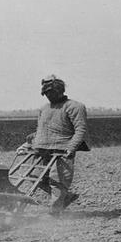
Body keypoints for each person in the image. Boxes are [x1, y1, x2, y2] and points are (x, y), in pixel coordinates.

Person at [17, 75, 89, 215]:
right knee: (33, 176)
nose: (48, 96)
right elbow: (41, 131)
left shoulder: (74, 106)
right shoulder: (44, 108)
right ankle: (65, 197)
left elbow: (81, 129)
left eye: (51, 93)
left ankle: (55, 213)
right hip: (42, 148)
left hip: (62, 149)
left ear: (60, 91)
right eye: (46, 93)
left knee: (57, 181)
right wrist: (26, 144)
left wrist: (71, 147)